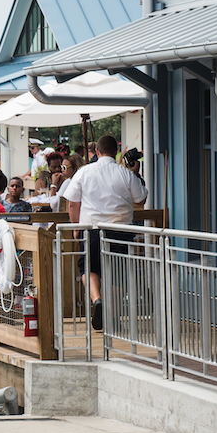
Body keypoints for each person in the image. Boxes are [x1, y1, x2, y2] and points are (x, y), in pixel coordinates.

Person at [60, 135, 148, 331]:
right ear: (116, 152)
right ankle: (113, 318)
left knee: (88, 269)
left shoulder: (84, 172)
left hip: (91, 229)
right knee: (117, 272)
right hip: (121, 229)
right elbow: (140, 199)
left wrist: (76, 227)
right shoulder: (124, 173)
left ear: (97, 152)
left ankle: (97, 299)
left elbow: (72, 202)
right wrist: (135, 173)